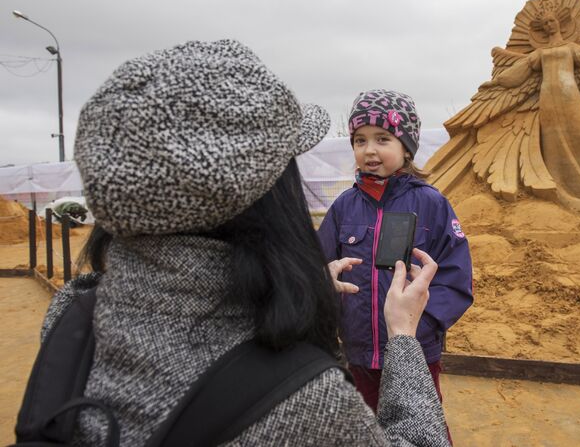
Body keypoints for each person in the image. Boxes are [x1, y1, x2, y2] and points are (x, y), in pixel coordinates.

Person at [35, 41, 452, 446]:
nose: (369, 150)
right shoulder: (302, 395)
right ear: (264, 196)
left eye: (383, 139)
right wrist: (402, 336)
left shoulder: (71, 316)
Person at [317, 89, 474, 416]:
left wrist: (421, 324)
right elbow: (317, 266)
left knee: (420, 426)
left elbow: (456, 279)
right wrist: (324, 282)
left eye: (382, 138)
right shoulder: (343, 207)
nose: (369, 150)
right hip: (359, 353)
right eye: (360, 140)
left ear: (407, 148)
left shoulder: (432, 204)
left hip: (415, 353)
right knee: (365, 429)